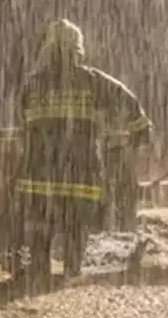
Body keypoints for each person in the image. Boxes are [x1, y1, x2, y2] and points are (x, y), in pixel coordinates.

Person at [16, 19, 153, 285]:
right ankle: (71, 270)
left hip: (39, 168)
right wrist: (140, 130)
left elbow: (25, 123)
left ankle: (40, 270)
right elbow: (127, 101)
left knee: (39, 223)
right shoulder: (92, 81)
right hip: (80, 168)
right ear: (77, 50)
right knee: (75, 223)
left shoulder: (32, 85)